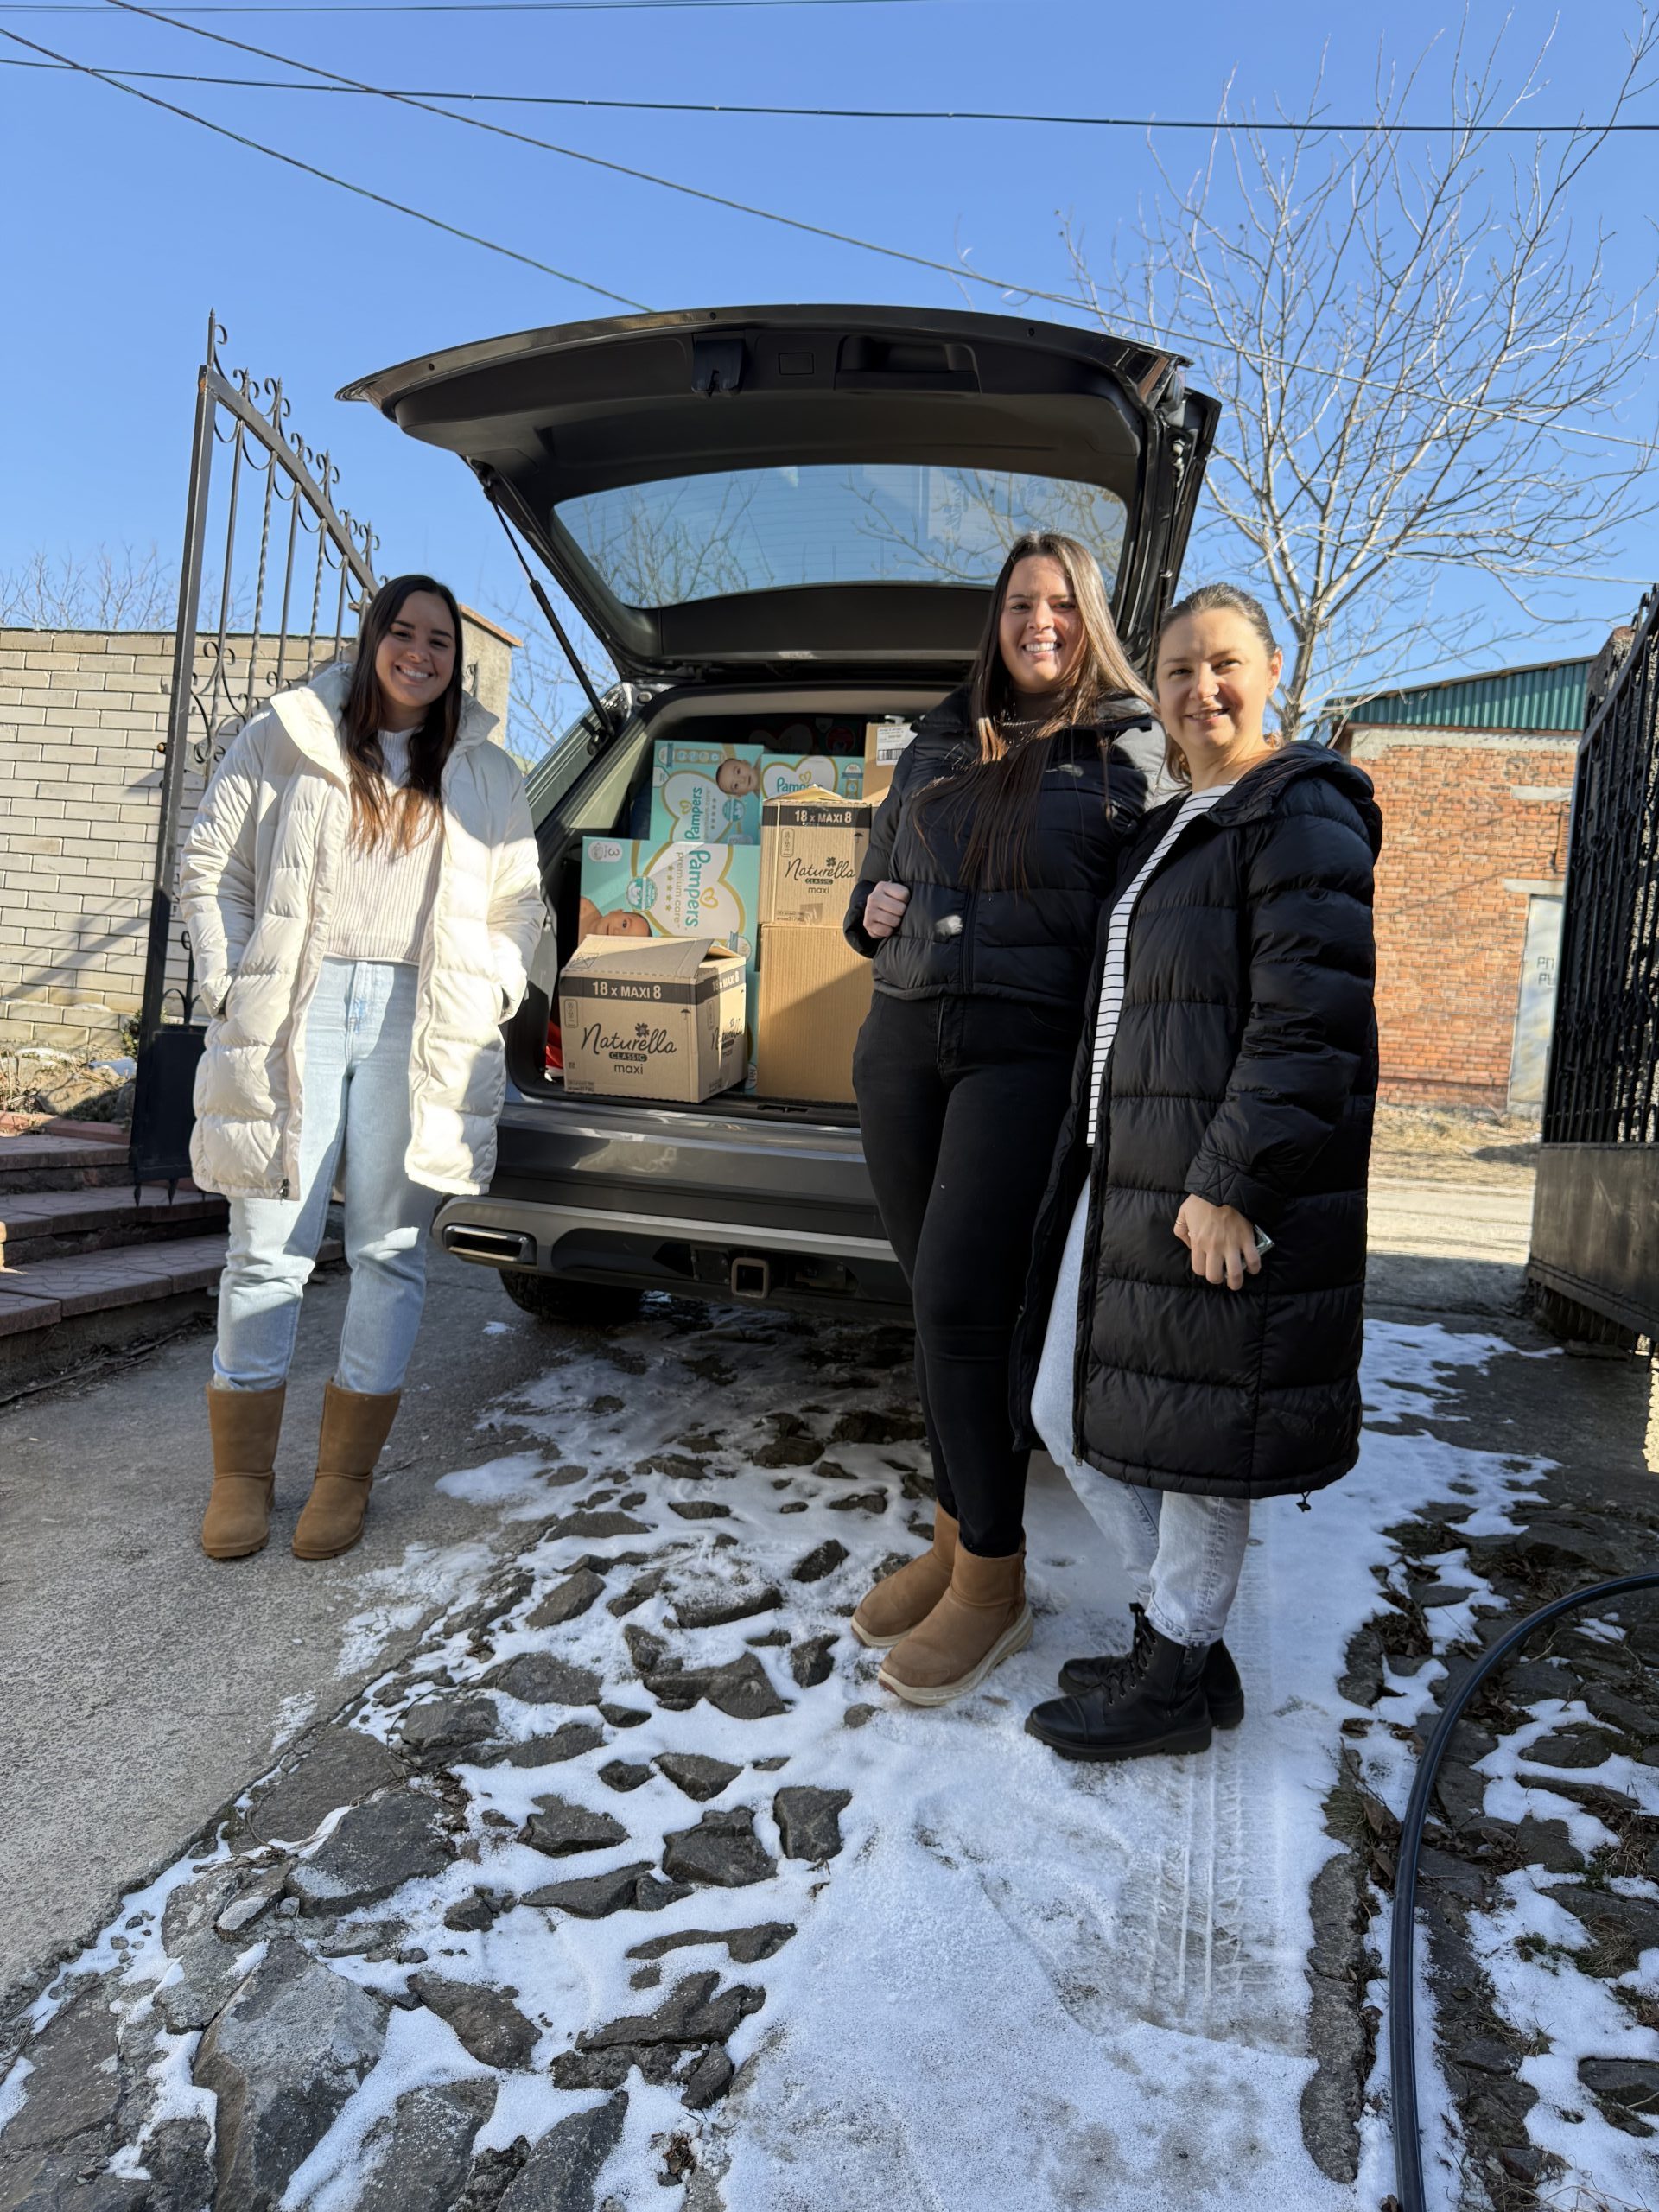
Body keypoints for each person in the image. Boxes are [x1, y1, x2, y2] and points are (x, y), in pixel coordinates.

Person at [1015, 583, 1382, 1761]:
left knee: (1199, 1443)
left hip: (1215, 1185)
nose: (1200, 688)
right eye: (1176, 670)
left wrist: (1233, 1181)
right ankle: (1185, 1646)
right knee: (1069, 1410)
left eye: (1224, 663)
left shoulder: (1299, 811)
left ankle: (1172, 1673)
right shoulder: (1183, 815)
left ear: (1272, 669)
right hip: (1131, 1169)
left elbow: (1309, 1022)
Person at [842, 531, 1165, 1706]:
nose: (1041, 622)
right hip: (902, 1040)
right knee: (929, 1304)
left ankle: (993, 1582)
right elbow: (869, 890)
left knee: (967, 1302)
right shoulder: (935, 736)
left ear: (1091, 621)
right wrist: (868, 910)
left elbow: (1154, 918)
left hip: (1024, 1052)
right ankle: (954, 1533)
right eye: (1023, 603)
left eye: (1062, 605)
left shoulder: (1128, 750)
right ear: (998, 618)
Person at [180, 575, 545, 1565]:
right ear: (373, 637)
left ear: (454, 664)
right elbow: (212, 863)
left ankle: (343, 1481)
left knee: (388, 1249)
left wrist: (495, 990)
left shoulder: (486, 772)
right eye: (404, 631)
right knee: (267, 1244)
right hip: (296, 1007)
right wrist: (230, 981)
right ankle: (242, 1481)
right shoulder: (287, 737)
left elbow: (520, 907)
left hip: (419, 1018)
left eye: (440, 641)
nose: (420, 652)